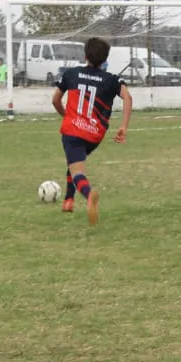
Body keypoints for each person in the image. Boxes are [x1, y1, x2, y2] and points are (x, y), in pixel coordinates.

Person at [51, 36, 133, 226]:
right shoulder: (112, 79)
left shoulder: (71, 74)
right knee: (75, 161)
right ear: (105, 59)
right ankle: (68, 201)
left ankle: (89, 196)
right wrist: (124, 127)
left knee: (78, 171)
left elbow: (55, 100)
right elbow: (127, 98)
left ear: (85, 55)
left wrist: (67, 116)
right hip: (95, 134)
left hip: (73, 130)